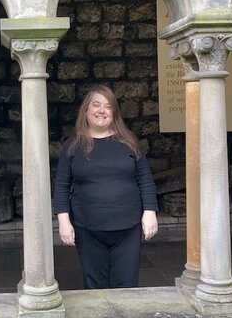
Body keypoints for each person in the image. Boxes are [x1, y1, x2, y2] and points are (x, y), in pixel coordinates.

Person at [53, 85, 159, 289]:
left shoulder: (129, 142)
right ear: (86, 110)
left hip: (128, 228)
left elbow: (145, 179)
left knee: (127, 285)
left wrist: (150, 212)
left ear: (114, 113)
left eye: (108, 106)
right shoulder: (72, 145)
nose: (101, 110)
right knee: (95, 287)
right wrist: (63, 221)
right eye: (96, 105)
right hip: (87, 228)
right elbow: (61, 186)